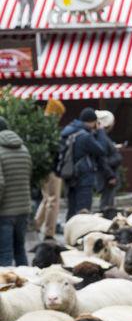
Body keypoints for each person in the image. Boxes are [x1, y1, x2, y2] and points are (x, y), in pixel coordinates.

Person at [60, 107, 107, 219]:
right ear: (92, 122)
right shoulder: (85, 136)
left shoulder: (67, 131)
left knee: (72, 209)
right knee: (83, 211)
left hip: (69, 174)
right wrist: (100, 131)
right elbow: (101, 150)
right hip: (84, 177)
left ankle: (70, 232)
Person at [0, 117, 33, 266]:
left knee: (5, 254)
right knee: (20, 250)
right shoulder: (24, 149)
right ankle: (27, 285)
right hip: (23, 209)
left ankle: (4, 288)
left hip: (4, 212)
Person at [35, 98, 65, 238]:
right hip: (52, 169)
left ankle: (36, 223)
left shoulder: (39, 125)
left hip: (43, 168)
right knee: (53, 200)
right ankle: (49, 232)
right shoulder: (50, 128)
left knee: (46, 198)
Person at [95, 110, 121, 209]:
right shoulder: (102, 138)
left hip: (107, 174)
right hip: (107, 176)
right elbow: (102, 159)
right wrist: (110, 176)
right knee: (107, 206)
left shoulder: (101, 137)